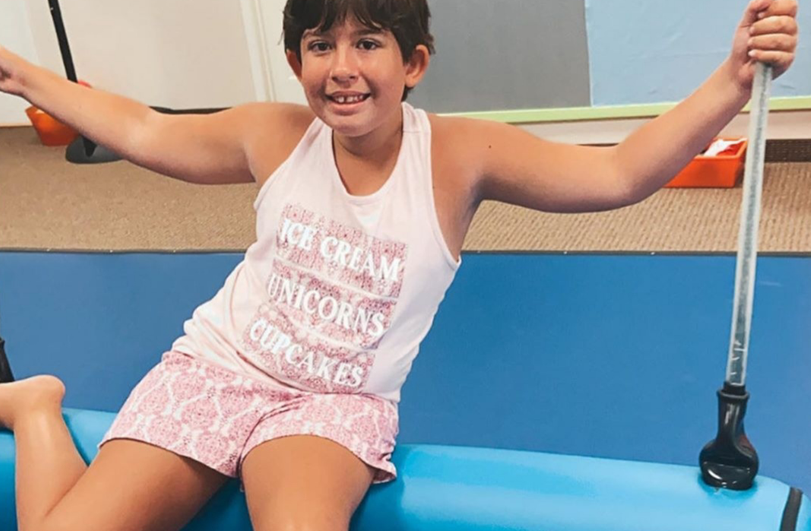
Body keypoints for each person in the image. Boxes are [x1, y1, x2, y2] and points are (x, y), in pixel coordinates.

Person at [0, 0, 799, 529]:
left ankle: (38, 409)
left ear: (413, 62)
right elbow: (140, 127)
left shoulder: (457, 154)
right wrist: (21, 73)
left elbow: (617, 173)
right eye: (320, 45)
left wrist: (730, 81)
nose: (341, 66)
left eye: (366, 43)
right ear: (294, 60)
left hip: (331, 406)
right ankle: (38, 406)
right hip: (216, 369)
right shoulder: (274, 134)